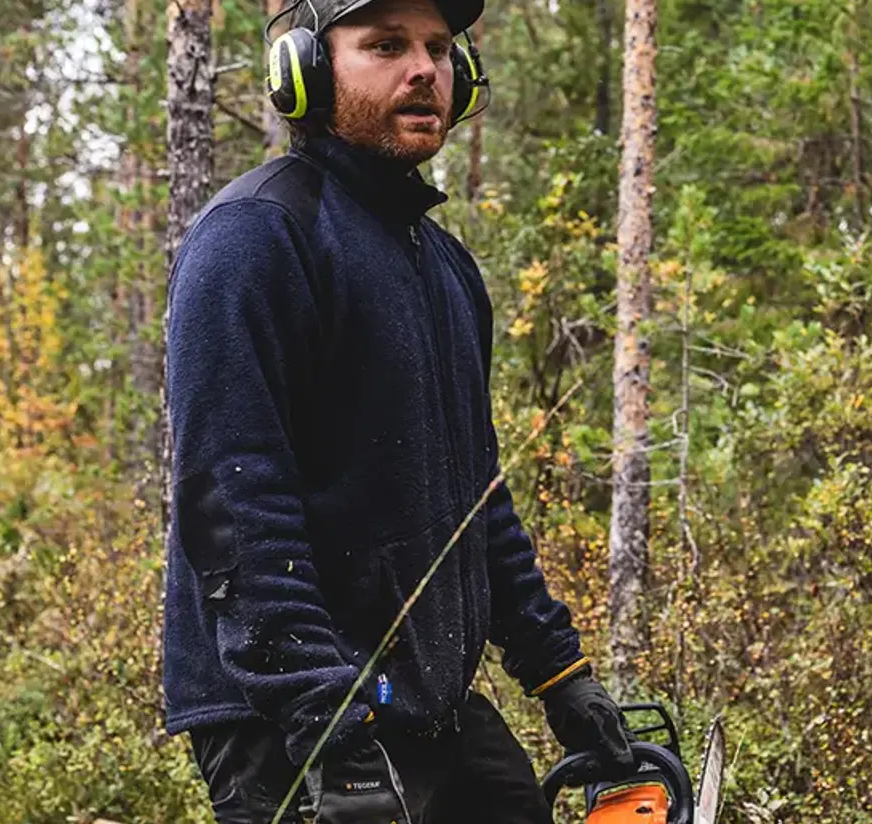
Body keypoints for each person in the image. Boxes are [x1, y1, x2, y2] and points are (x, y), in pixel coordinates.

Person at [160, 0, 636, 819]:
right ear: (302, 70)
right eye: (385, 45)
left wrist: (560, 674)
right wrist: (320, 715)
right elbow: (231, 501)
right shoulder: (256, 237)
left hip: (426, 699)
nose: (425, 70)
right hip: (288, 713)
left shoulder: (445, 265)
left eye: (440, 48)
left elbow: (478, 496)